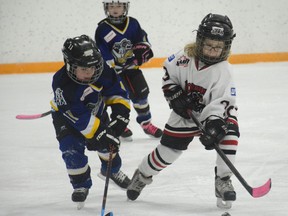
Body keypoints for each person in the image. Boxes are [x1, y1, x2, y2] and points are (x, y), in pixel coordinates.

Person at [126, 13, 240, 209]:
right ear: (200, 41)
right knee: (168, 152)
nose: (213, 51)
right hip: (185, 115)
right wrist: (175, 96)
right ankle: (143, 174)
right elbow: (168, 77)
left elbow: (223, 102)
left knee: (229, 136)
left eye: (218, 47)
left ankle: (223, 179)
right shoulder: (182, 59)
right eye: (209, 45)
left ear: (226, 46)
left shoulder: (223, 70)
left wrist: (213, 123)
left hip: (215, 115)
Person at [50, 35, 131, 207]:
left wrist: (120, 112)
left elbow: (116, 90)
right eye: (83, 69)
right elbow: (76, 116)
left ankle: (112, 171)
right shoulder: (61, 83)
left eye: (93, 68)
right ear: (70, 65)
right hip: (67, 118)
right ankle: (80, 185)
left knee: (109, 146)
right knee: (71, 150)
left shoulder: (102, 70)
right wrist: (99, 132)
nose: (90, 72)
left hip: (95, 112)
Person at [95, 0, 163, 140]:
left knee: (142, 93)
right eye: (111, 6)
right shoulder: (102, 29)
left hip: (131, 67)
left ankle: (146, 124)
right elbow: (102, 50)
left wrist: (142, 49)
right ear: (106, 7)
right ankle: (120, 124)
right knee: (118, 99)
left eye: (118, 6)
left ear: (125, 7)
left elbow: (141, 38)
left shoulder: (133, 23)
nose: (115, 9)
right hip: (114, 73)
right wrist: (111, 66)